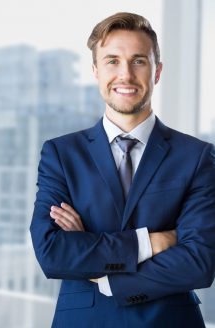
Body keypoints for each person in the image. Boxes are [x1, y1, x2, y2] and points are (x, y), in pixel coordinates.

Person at [30, 12, 215, 327]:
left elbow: (199, 262)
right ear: (95, 71)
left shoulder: (196, 156)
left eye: (138, 61)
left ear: (157, 71)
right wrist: (150, 242)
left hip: (170, 320)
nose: (125, 75)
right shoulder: (61, 154)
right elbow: (53, 251)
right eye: (112, 61)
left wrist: (104, 275)